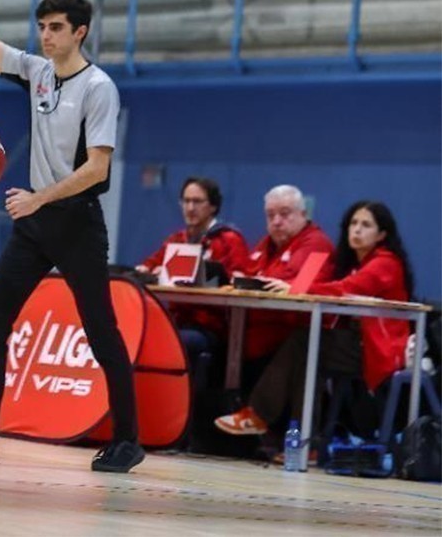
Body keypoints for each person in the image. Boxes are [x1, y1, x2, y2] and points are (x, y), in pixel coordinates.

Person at [0, 0, 142, 472]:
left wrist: (38, 197)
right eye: (41, 27)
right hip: (35, 223)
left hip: (76, 220)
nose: (45, 36)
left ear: (80, 32)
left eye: (55, 27)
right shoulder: (35, 71)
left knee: (101, 331)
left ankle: (128, 439)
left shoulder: (100, 88)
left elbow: (98, 169)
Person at [215, 201, 413, 436]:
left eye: (366, 225)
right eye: (353, 223)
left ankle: (258, 415)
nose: (357, 230)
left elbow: (348, 288)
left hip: (378, 349)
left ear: (381, 234)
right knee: (308, 353)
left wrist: (295, 288)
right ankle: (305, 442)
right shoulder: (354, 264)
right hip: (355, 345)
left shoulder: (386, 263)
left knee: (304, 342)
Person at [136, 177, 250, 389]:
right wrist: (148, 271)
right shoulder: (176, 240)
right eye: (186, 201)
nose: (190, 208)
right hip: (177, 321)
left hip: (212, 327)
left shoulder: (229, 240)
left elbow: (241, 280)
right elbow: (148, 265)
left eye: (197, 202)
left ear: (213, 206)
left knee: (176, 342)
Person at [236, 185, 335, 361]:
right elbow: (246, 275)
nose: (276, 221)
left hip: (292, 337)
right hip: (253, 331)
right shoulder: (267, 244)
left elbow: (299, 289)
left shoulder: (319, 245)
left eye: (284, 213)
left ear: (303, 215)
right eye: (270, 215)